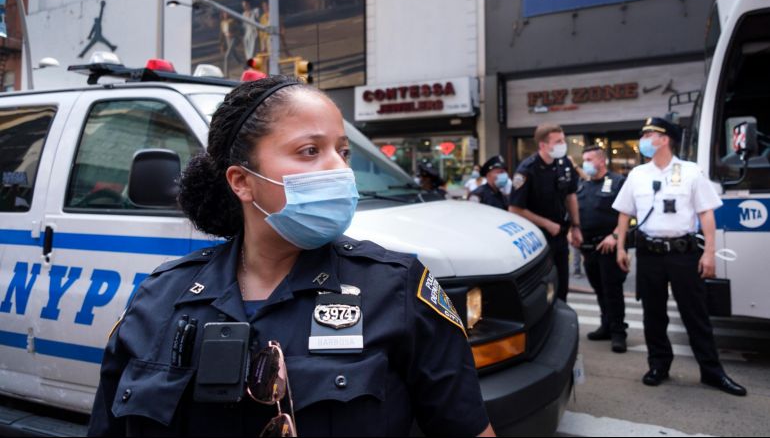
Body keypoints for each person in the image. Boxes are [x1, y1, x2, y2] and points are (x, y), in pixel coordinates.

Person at [88, 76, 495, 436]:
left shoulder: (397, 288)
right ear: (242, 182)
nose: (339, 170)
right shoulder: (160, 296)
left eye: (342, 151)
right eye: (308, 151)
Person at [613, 117, 746, 396]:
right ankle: (658, 365)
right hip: (649, 254)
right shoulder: (637, 174)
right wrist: (620, 247)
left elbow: (706, 212)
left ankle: (712, 372)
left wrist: (709, 253)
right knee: (653, 314)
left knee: (695, 314)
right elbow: (625, 213)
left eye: (649, 134)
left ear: (664, 139)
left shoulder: (691, 172)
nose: (644, 139)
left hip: (683, 253)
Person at [509, 124, 583, 301]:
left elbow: (570, 196)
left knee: (562, 286)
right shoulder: (527, 170)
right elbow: (515, 209)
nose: (563, 144)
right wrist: (547, 224)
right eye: (558, 141)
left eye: (563, 140)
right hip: (538, 239)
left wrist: (576, 226)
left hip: (561, 236)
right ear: (543, 145)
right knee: (543, 288)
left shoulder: (564, 163)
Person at [577, 145, 628, 352]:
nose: (585, 164)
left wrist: (615, 236)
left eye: (589, 159)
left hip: (609, 246)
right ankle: (606, 326)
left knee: (612, 291)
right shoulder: (582, 185)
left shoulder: (617, 182)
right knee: (599, 289)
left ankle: (618, 332)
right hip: (588, 247)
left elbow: (628, 214)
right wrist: (574, 231)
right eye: (584, 160)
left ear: (601, 161)